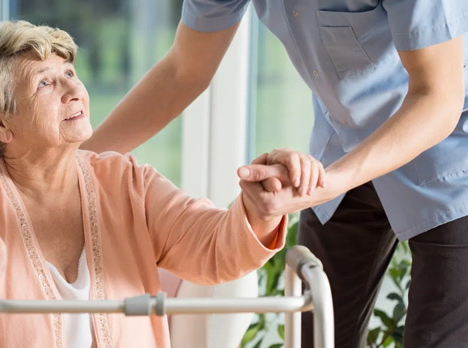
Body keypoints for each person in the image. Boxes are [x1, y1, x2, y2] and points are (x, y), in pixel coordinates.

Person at [0, 20, 325, 348]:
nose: (74, 90)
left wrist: (260, 209)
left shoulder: (125, 180)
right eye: (45, 82)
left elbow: (211, 246)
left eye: (69, 72)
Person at [81, 1, 468, 347]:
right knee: (314, 333)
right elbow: (184, 70)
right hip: (341, 146)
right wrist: (70, 165)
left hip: (450, 161)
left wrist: (326, 184)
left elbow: (437, 96)